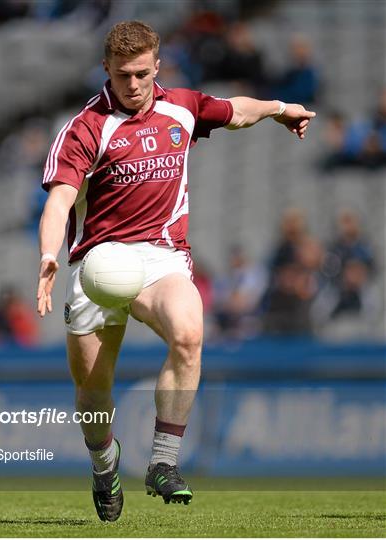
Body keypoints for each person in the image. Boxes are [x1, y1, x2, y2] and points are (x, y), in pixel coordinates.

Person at [36, 20, 315, 522]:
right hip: (96, 264)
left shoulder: (181, 107)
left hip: (159, 255)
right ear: (106, 70)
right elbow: (59, 200)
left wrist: (277, 109)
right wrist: (48, 253)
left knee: (189, 334)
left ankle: (163, 462)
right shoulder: (85, 129)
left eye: (142, 73)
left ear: (157, 66)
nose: (134, 84)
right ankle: (104, 462)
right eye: (123, 75)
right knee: (94, 391)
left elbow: (235, 111)